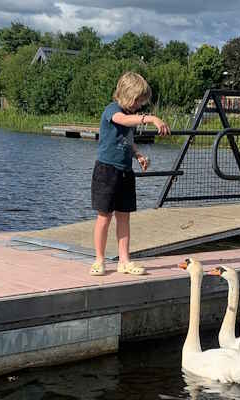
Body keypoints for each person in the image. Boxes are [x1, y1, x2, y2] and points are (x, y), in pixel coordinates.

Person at [89, 72, 170, 275]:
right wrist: (150, 118)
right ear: (126, 95)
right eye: (137, 101)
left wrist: (138, 155)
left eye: (141, 103)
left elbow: (127, 139)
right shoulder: (112, 110)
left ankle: (124, 260)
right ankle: (99, 260)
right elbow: (123, 121)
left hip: (125, 172)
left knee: (124, 217)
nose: (138, 106)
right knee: (104, 217)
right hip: (106, 171)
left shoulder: (129, 114)